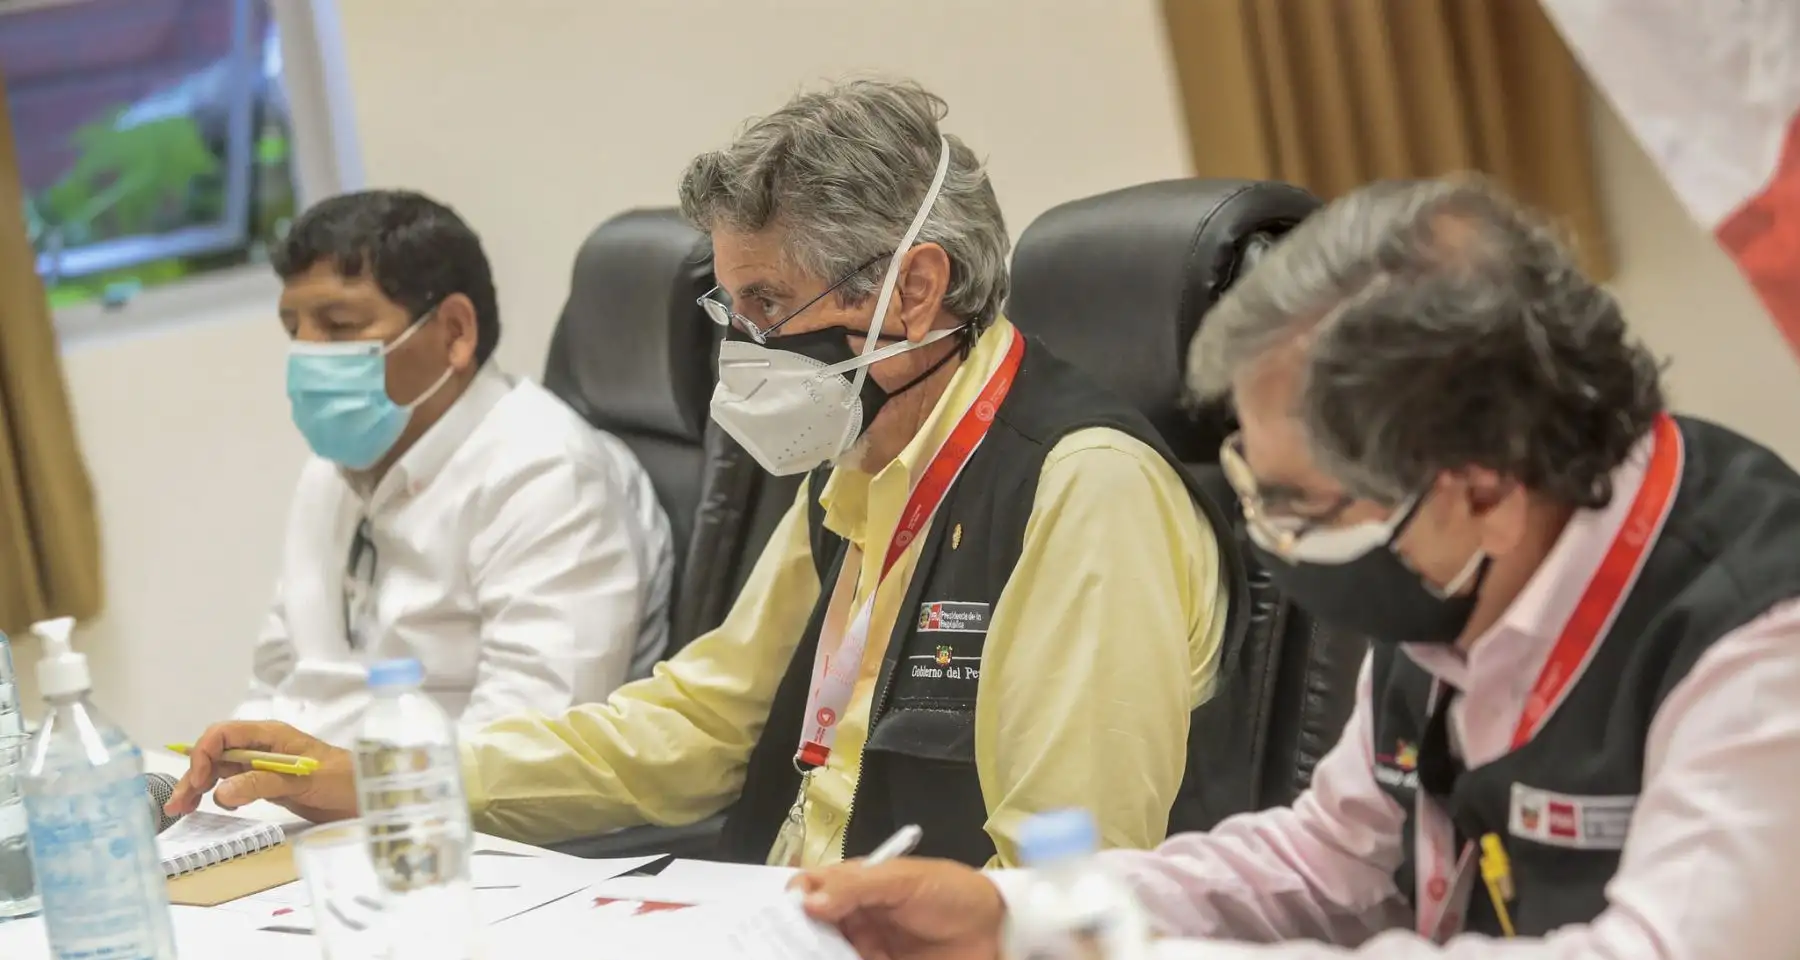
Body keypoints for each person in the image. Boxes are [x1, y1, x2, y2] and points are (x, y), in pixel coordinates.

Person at [796, 176, 1800, 960]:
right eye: (1254, 488)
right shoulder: (1458, 568)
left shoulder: (1756, 631)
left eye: (1303, 509)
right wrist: (1038, 920)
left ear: (1483, 486)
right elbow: (1327, 860)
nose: (1272, 542)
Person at [168, 80, 1242, 867]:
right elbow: (698, 727)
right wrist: (391, 780)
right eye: (735, 310)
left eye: (769, 305)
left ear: (914, 291)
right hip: (779, 936)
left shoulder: (1081, 489)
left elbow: (1068, 874)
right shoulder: (862, 465)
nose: (749, 346)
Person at [239, 190, 674, 742]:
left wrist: (335, 792)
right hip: (336, 803)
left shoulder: (544, 473)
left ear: (454, 333)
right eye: (294, 329)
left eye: (340, 325)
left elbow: (524, 750)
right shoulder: (330, 474)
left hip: (458, 811)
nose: (307, 354)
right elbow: (281, 683)